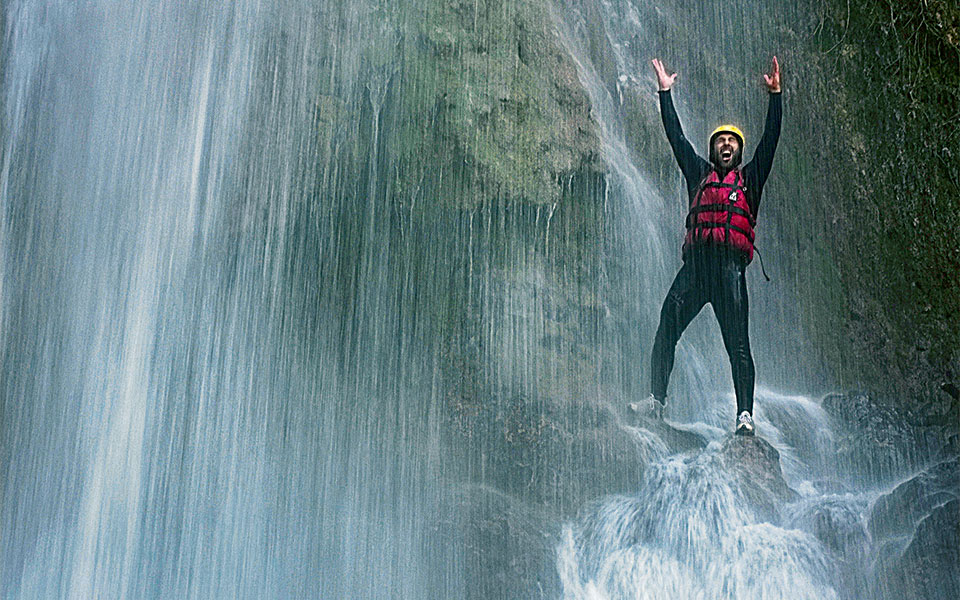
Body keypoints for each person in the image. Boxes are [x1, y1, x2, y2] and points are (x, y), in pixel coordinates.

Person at [635, 56, 782, 435]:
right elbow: (676, 138)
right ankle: (656, 401)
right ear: (714, 149)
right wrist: (665, 93)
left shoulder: (750, 179)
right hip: (696, 269)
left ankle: (744, 416)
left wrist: (775, 97)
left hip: (730, 272)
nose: (727, 144)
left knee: (739, 345)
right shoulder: (698, 174)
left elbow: (770, 141)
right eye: (721, 141)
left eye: (732, 140)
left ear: (739, 150)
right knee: (667, 324)